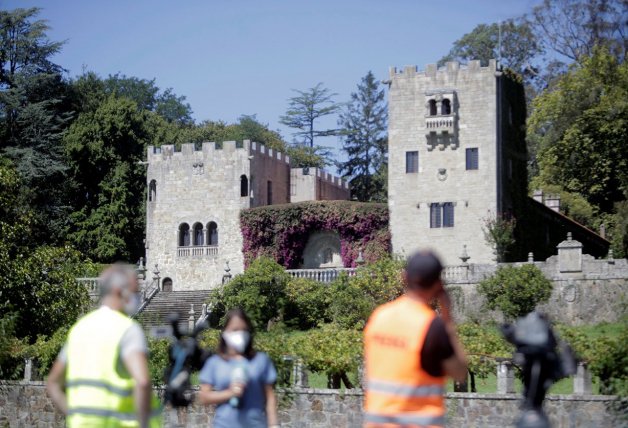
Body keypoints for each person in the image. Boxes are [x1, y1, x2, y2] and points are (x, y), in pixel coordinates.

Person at [47, 264, 161, 428]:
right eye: (135, 292)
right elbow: (142, 382)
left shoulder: (79, 328)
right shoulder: (127, 328)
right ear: (118, 290)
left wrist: (74, 415)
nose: (139, 297)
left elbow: (53, 383)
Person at [363, 250, 467, 428]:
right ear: (438, 285)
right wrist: (448, 319)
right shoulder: (431, 326)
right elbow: (460, 373)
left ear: (404, 278)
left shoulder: (379, 317)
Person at [198, 308, 279, 428]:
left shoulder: (261, 360)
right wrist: (229, 393)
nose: (240, 334)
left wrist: (273, 425)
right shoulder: (214, 362)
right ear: (225, 332)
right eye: (235, 330)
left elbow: (269, 397)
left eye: (244, 330)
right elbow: (204, 397)